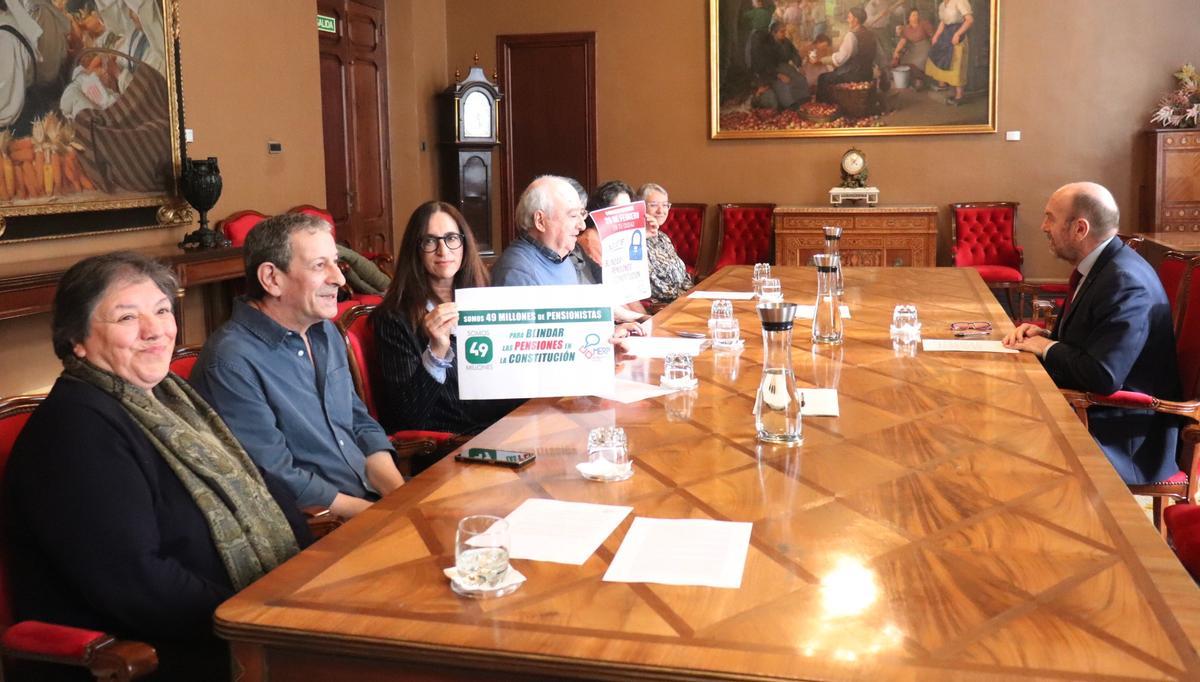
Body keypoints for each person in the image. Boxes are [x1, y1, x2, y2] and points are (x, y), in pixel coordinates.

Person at [4, 252, 309, 682]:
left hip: (249, 620)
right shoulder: (74, 431)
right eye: (127, 318)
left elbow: (262, 486)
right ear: (78, 339)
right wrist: (261, 620)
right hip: (158, 657)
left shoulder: (170, 398)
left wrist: (308, 580)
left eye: (163, 310)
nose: (155, 331)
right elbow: (139, 586)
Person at [192, 213, 404, 519]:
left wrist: (400, 498)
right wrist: (378, 516)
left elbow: (358, 422)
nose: (340, 278)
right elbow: (277, 477)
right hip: (320, 529)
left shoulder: (325, 330)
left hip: (370, 504)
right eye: (320, 266)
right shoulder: (230, 362)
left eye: (335, 262)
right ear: (272, 279)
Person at [1003, 182, 1181, 485]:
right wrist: (1045, 335)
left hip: (1125, 435)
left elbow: (1103, 375)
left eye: (1050, 218)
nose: (1044, 227)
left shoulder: (1125, 281)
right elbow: (1096, 339)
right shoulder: (1105, 266)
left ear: (1080, 228)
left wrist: (1046, 347)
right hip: (1098, 409)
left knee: (1003, 440)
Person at [372, 201, 521, 436]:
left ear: (465, 243)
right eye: (430, 241)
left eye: (452, 238)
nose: (443, 251)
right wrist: (436, 351)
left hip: (507, 427)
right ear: (416, 249)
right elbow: (407, 416)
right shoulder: (393, 318)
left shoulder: (486, 298)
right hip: (453, 444)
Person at [491, 174, 588, 287]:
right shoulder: (518, 273)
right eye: (573, 216)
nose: (582, 226)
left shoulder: (561, 258)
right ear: (540, 221)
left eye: (582, 214)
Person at [640, 182, 695, 304]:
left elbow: (682, 275)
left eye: (665, 205)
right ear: (640, 208)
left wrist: (695, 292)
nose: (661, 211)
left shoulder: (663, 237)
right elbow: (654, 286)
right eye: (654, 205)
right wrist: (688, 297)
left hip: (683, 299)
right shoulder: (636, 242)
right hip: (663, 306)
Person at [746, 18, 809, 110]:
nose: (784, 34)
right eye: (782, 32)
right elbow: (764, 65)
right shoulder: (766, 44)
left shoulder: (786, 41)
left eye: (785, 31)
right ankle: (790, 106)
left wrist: (799, 65)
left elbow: (793, 53)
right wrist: (779, 75)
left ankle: (803, 101)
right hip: (769, 72)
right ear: (773, 33)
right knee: (783, 85)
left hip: (783, 66)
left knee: (800, 79)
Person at [816, 7, 876, 103]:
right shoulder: (871, 34)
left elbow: (840, 59)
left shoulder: (852, 36)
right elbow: (880, 56)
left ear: (855, 20)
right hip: (868, 73)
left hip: (855, 75)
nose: (847, 20)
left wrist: (821, 60)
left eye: (849, 17)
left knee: (823, 78)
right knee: (835, 71)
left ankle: (825, 105)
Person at [926, 0, 974, 105]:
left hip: (958, 34)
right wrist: (936, 35)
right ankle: (942, 84)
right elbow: (943, 22)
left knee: (956, 63)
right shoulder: (942, 5)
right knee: (938, 55)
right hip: (946, 34)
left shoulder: (960, 1)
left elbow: (969, 20)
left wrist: (957, 34)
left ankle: (959, 96)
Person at [892, 8, 934, 88]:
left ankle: (920, 80)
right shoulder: (906, 29)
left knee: (919, 60)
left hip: (924, 46)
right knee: (905, 60)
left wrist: (934, 47)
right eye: (913, 15)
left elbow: (933, 36)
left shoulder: (924, 24)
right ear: (909, 17)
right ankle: (914, 80)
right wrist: (896, 51)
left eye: (917, 15)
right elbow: (902, 41)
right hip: (913, 48)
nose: (916, 17)